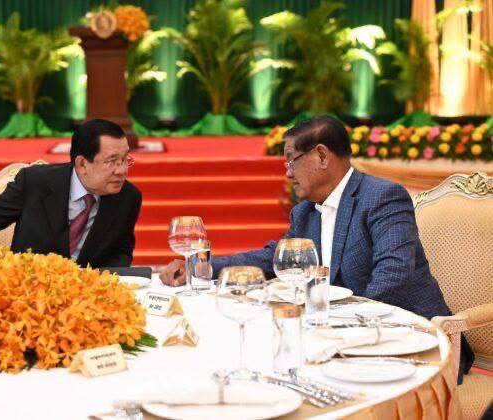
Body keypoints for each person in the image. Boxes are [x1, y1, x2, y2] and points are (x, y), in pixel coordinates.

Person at [161, 115, 473, 376]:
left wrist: (341, 325)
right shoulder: (305, 212)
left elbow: (394, 273)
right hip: (343, 343)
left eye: (291, 160)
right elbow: (275, 258)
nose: (287, 172)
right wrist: (202, 266)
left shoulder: (382, 196)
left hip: (411, 341)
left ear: (322, 156)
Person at [0, 119, 142, 267]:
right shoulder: (35, 182)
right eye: (112, 161)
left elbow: (120, 251)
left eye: (125, 159)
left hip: (88, 294)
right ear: (82, 164)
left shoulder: (128, 197)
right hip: (31, 287)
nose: (122, 170)